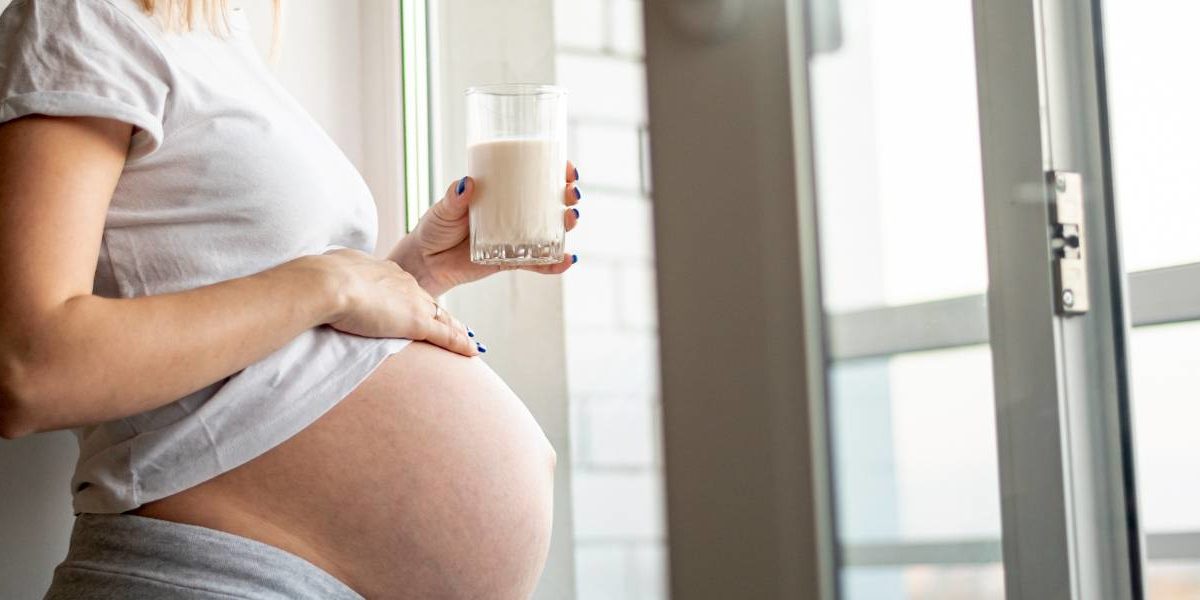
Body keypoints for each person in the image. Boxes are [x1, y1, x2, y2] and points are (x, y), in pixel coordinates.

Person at [0, 0, 582, 597]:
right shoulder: (79, 14)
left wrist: (414, 274)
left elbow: (268, 353)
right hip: (216, 573)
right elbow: (31, 370)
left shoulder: (215, 31)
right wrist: (331, 283)